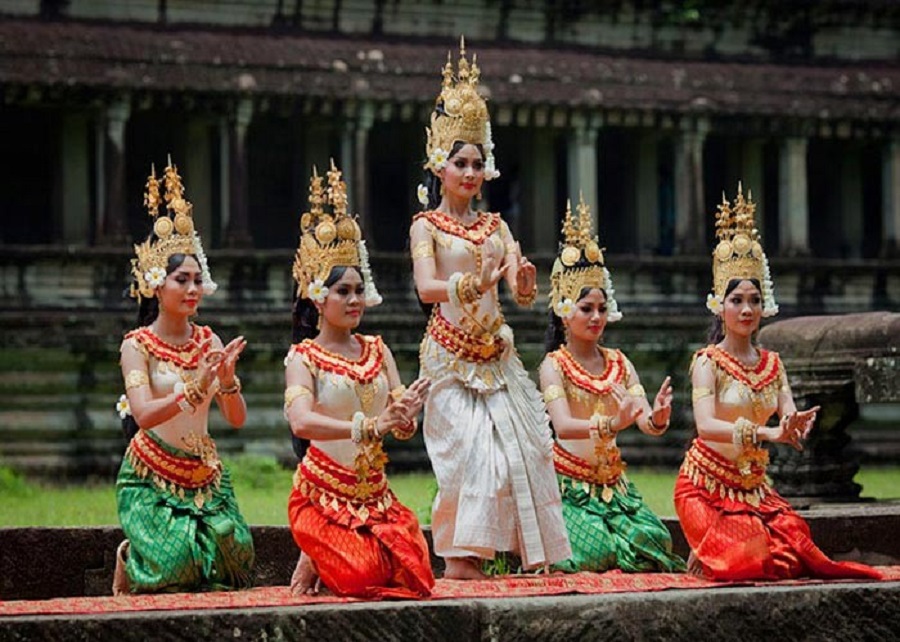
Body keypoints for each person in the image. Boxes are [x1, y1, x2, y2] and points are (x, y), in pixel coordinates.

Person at [410, 39, 570, 580]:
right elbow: (427, 288)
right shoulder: (425, 227)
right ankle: (460, 561)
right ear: (441, 164)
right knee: (471, 458)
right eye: (461, 162)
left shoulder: (495, 226)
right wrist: (469, 282)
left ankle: (502, 557)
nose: (471, 172)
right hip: (449, 359)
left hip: (496, 356)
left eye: (479, 162)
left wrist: (523, 284)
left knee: (525, 452)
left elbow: (517, 293)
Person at [674, 185, 882, 581]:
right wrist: (767, 434)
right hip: (704, 489)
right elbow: (705, 426)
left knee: (797, 548)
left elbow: (787, 411)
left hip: (753, 490)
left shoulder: (773, 363)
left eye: (754, 299)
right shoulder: (708, 362)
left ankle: (718, 549)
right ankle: (708, 550)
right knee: (749, 562)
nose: (747, 309)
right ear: (720, 304)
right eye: (737, 301)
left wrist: (794, 424)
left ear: (764, 303)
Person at [285, 161, 435, 599]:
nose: (354, 300)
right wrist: (368, 426)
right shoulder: (304, 357)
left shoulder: (378, 349)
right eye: (342, 292)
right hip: (322, 491)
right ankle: (314, 549)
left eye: (358, 290)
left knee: (415, 575)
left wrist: (406, 415)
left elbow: (398, 424)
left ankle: (327, 555)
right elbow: (301, 423)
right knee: (360, 578)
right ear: (318, 297)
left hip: (374, 493)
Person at [114, 159, 254, 594]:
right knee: (178, 567)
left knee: (235, 560)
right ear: (157, 285)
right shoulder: (136, 346)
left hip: (203, 475)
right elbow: (142, 416)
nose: (193, 290)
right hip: (150, 475)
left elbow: (236, 419)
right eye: (182, 280)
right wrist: (191, 391)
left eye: (197, 280)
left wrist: (226, 381)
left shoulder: (210, 342)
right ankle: (128, 556)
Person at [539, 196, 686, 573]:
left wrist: (659, 417)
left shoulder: (619, 362)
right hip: (569, 486)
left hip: (613, 485)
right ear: (563, 309)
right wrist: (610, 423)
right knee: (596, 552)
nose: (596, 317)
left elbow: (644, 420)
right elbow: (564, 426)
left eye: (602, 309)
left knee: (656, 541)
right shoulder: (554, 365)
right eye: (586, 308)